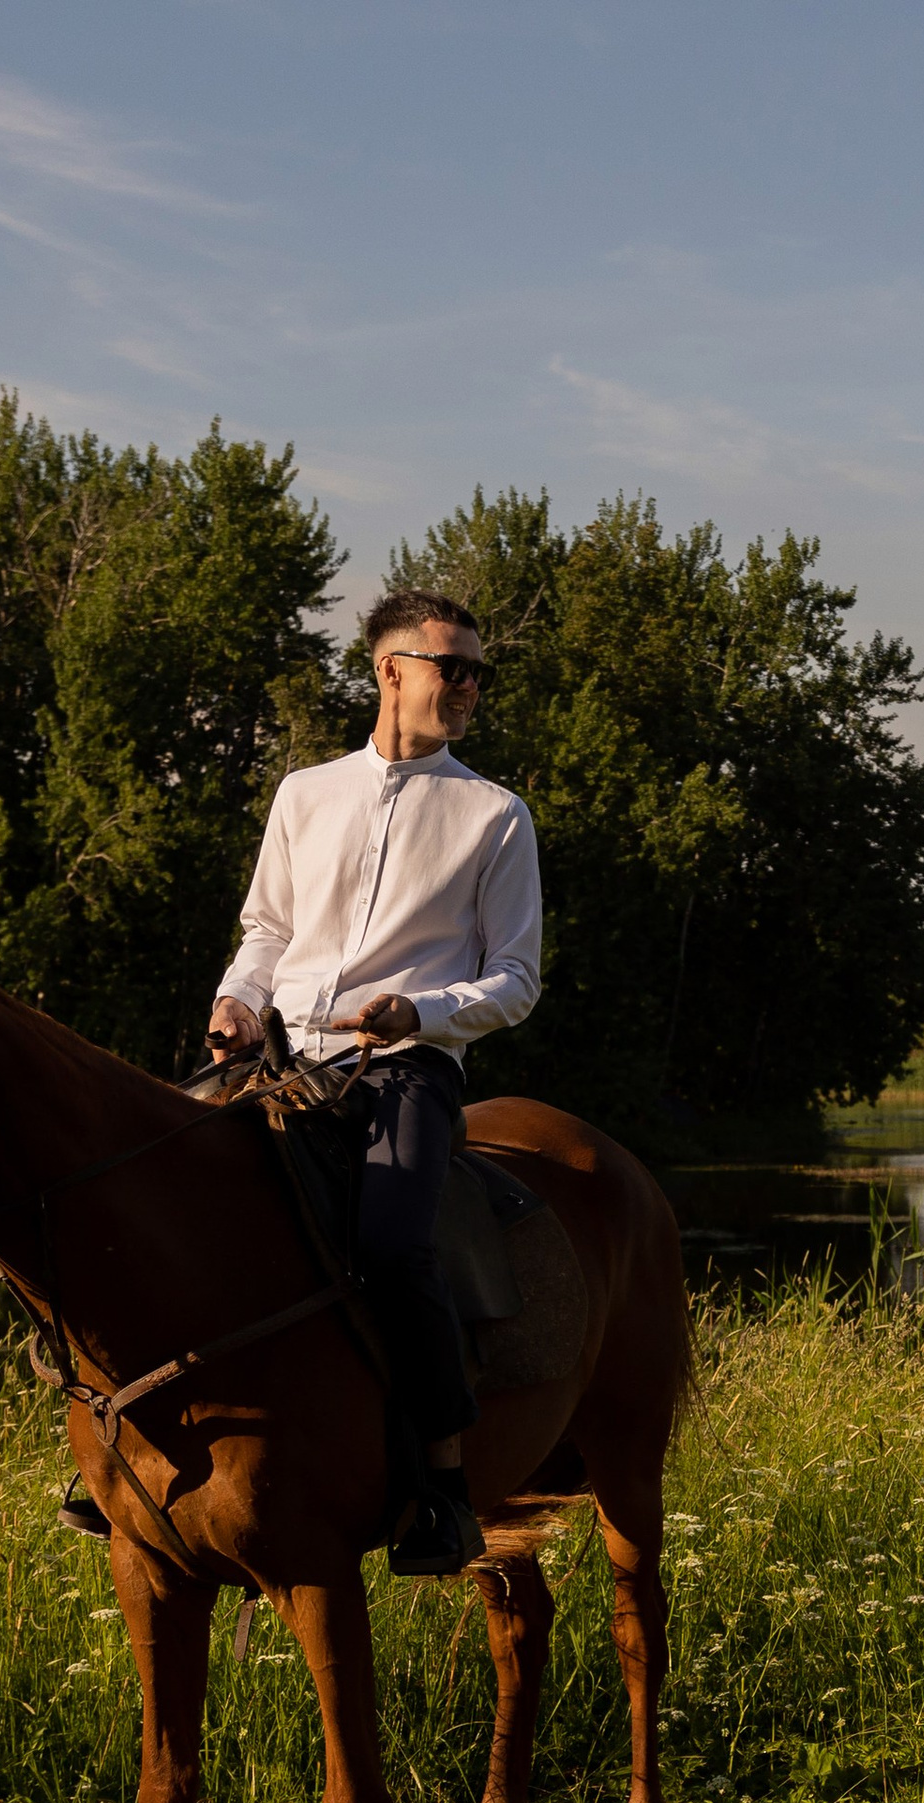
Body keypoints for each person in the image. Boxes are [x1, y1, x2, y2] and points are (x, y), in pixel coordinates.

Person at [207, 586, 543, 1572]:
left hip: (403, 1072)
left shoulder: (496, 817)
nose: (472, 686)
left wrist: (422, 1012)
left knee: (394, 1244)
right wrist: (235, 1000)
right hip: (282, 1065)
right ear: (391, 670)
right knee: (160, 1198)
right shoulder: (304, 794)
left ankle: (440, 1484)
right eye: (456, 667)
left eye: (479, 671)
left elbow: (519, 982)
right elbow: (266, 934)